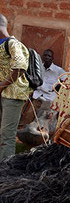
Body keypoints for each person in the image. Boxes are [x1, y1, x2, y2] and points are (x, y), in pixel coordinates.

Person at [0, 14, 33, 159]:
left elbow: (20, 67)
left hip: (13, 95)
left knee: (7, 135)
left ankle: (6, 169)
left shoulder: (12, 43)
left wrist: (1, 86)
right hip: (3, 94)